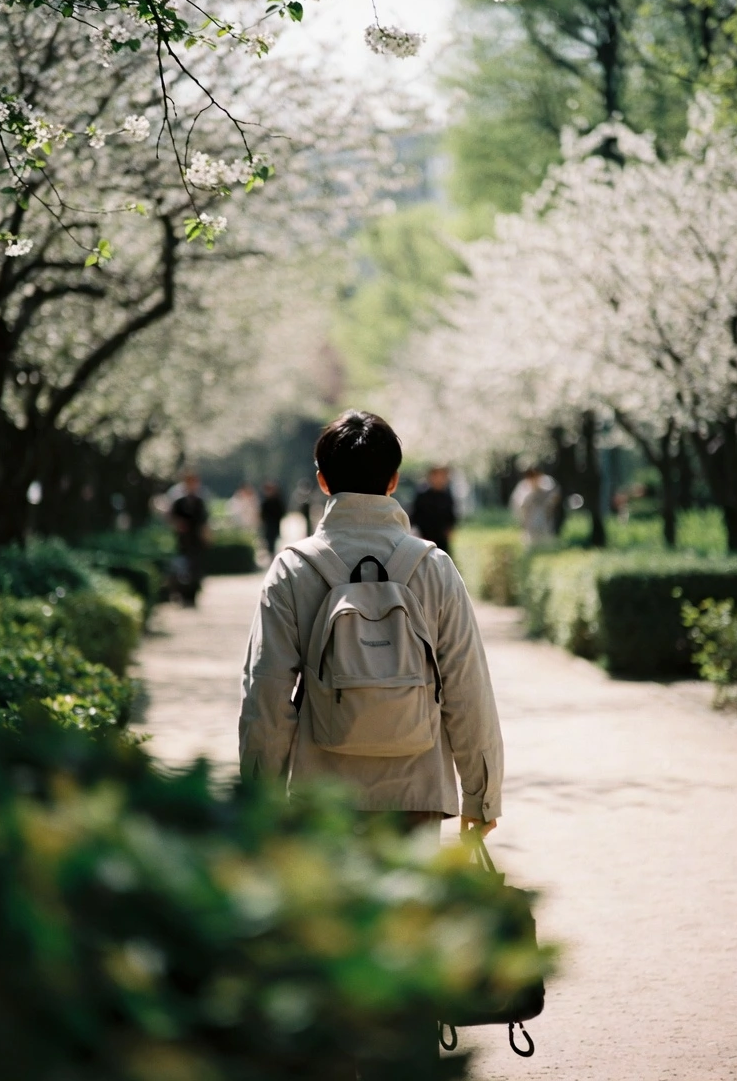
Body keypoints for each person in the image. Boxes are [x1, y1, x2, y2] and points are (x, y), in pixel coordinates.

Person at [240, 411, 503, 1075]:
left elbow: (266, 697)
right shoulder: (432, 566)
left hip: (320, 793)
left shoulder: (295, 568)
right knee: (407, 942)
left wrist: (257, 800)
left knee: (327, 945)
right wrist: (482, 790)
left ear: (322, 480)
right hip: (415, 787)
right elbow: (468, 688)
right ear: (394, 479)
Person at [168, 470, 210, 606]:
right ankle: (183, 594)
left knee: (196, 570)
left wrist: (206, 536)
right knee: (183, 569)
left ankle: (193, 595)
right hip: (183, 541)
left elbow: (205, 522)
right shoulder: (179, 502)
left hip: (197, 542)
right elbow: (171, 518)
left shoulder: (200, 501)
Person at [410, 465, 457, 553]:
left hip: (442, 539)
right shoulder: (422, 495)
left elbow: (451, 516)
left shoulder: (447, 496)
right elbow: (415, 515)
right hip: (424, 537)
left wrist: (450, 530)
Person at [509, 466, 560, 546]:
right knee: (530, 542)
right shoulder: (523, 487)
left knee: (546, 542)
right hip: (530, 521)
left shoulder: (547, 482)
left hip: (544, 519)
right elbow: (518, 505)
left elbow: (555, 496)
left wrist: (548, 506)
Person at [259, 480, 286, 558]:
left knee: (274, 540)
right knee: (269, 541)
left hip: (275, 524)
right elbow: (262, 514)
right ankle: (271, 554)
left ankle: (273, 554)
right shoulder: (265, 502)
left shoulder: (277, 501)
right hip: (268, 525)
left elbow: (282, 512)